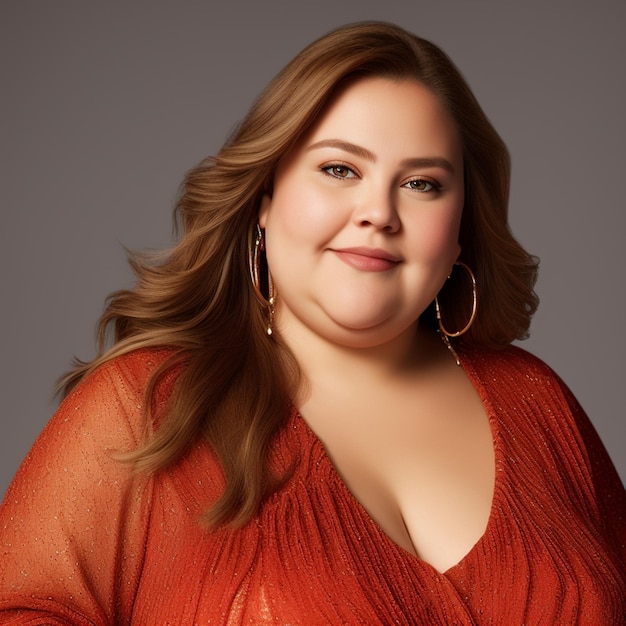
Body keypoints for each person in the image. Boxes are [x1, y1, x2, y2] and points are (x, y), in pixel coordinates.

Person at [0, 21, 624, 625]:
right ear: (264, 198)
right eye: (339, 169)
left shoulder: (539, 403)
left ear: (462, 227)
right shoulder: (144, 406)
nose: (378, 212)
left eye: (421, 183)